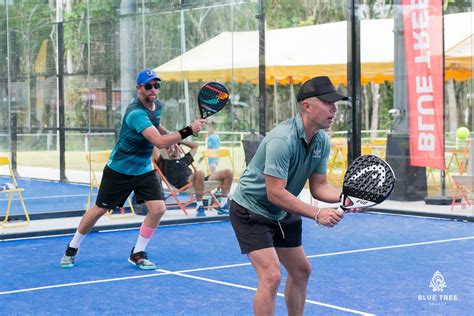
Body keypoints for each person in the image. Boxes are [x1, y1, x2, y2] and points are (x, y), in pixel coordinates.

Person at [229, 76, 360, 315]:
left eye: (335, 103)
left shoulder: (321, 140)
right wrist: (317, 213)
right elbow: (274, 192)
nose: (334, 108)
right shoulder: (282, 139)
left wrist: (346, 198)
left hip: (282, 209)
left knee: (301, 271)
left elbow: (319, 186)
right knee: (271, 276)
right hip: (251, 210)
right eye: (328, 102)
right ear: (306, 106)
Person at [59, 68, 206, 270]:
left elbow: (157, 126)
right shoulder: (135, 113)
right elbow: (158, 141)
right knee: (99, 210)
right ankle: (72, 247)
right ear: (139, 89)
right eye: (148, 86)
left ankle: (138, 252)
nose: (153, 89)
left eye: (156, 85)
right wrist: (188, 130)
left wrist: (171, 136)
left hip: (144, 169)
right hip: (119, 170)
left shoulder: (157, 106)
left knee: (158, 209)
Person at [154, 140, 233, 217]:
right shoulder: (163, 163)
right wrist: (164, 142)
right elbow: (152, 147)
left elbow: (195, 146)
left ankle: (223, 205)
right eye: (168, 148)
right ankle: (199, 206)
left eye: (175, 146)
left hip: (198, 180)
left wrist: (178, 140)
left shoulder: (184, 160)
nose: (172, 149)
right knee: (200, 172)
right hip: (185, 183)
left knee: (228, 172)